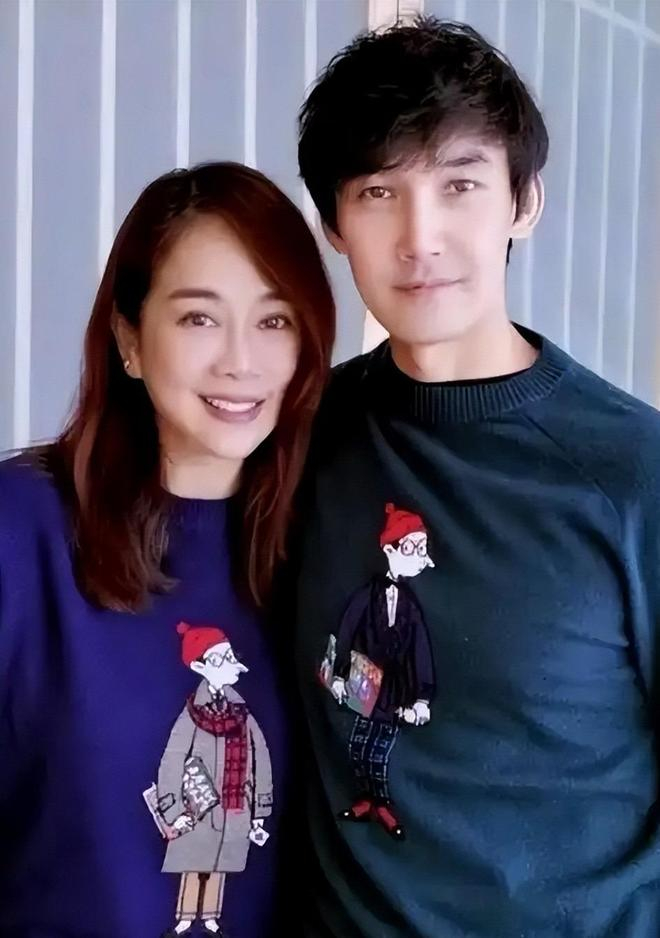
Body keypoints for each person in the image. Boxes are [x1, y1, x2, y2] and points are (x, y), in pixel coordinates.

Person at [294, 17, 660, 938]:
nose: (420, 238)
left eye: (460, 184)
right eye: (379, 192)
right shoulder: (297, 437)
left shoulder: (632, 472)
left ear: (523, 202)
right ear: (334, 224)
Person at [0, 161, 334, 938]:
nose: (240, 362)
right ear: (129, 338)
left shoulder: (327, 542)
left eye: (275, 321)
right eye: (198, 319)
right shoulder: (21, 529)